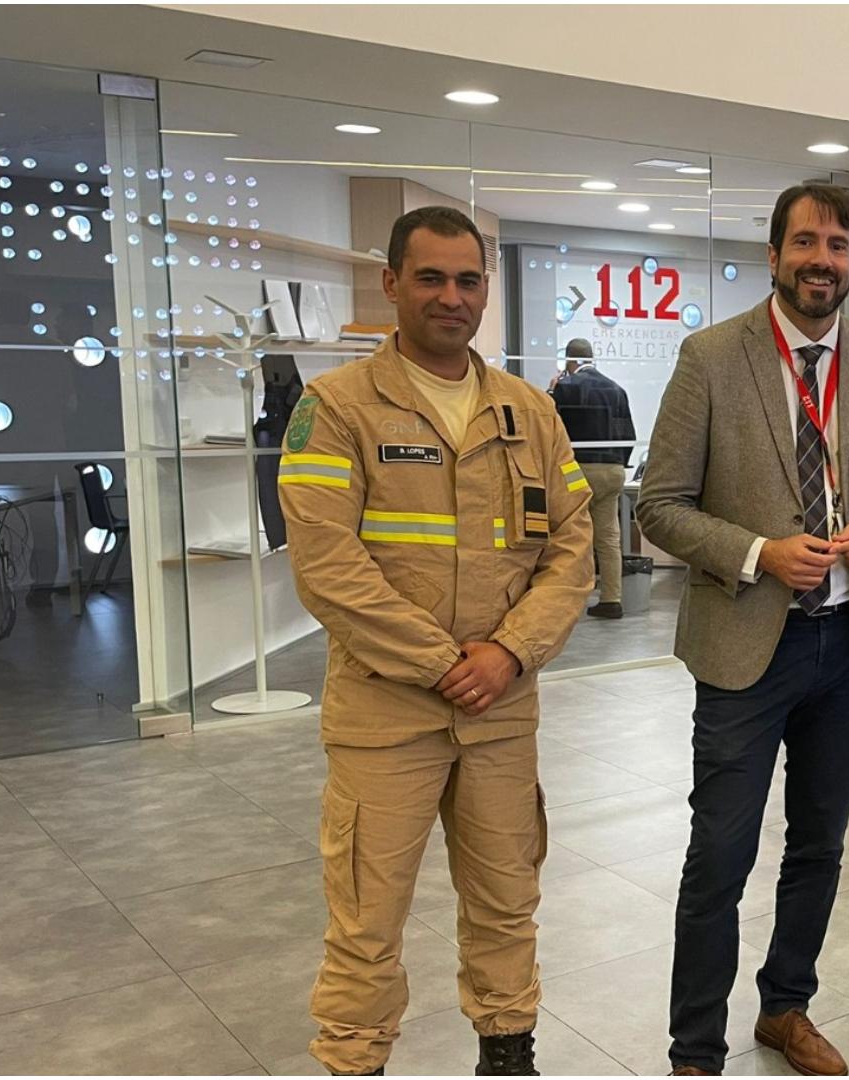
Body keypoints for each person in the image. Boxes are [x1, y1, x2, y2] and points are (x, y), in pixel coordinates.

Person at [279, 205, 594, 1077]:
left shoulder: (528, 411)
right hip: (387, 714)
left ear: (485, 289)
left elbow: (574, 549)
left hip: (501, 709)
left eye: (468, 279)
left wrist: (509, 653)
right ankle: (354, 1061)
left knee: (506, 902)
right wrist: (446, 662)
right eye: (431, 277)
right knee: (367, 915)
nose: (451, 297)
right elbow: (327, 567)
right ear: (391, 284)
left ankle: (507, 1053)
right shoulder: (334, 408)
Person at [637, 182, 849, 1077]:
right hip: (745, 652)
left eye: (837, 245)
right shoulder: (712, 356)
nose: (820, 260)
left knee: (819, 845)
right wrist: (760, 551)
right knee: (719, 853)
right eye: (805, 242)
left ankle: (786, 1008)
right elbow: (660, 505)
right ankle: (694, 1050)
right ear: (773, 255)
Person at [551, 338, 638, 619]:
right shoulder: (617, 389)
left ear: (569, 361)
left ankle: (570, 600)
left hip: (577, 470)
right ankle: (612, 599)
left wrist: (552, 391)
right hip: (611, 470)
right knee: (609, 536)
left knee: (572, 535)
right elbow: (629, 434)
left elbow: (551, 430)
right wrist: (618, 465)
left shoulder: (565, 388)